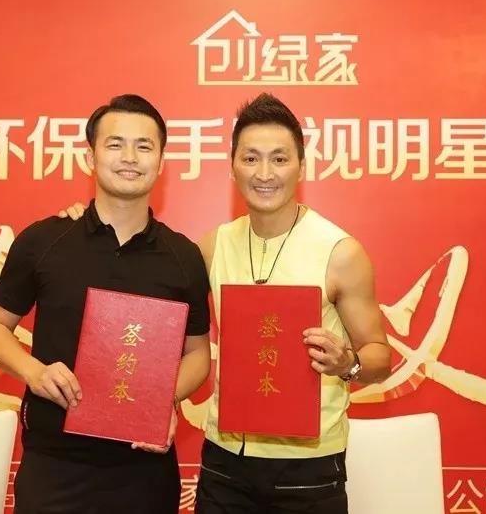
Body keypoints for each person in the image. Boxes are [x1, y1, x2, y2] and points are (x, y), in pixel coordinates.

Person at [60, 93, 392, 513]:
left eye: (279, 159)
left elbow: (381, 357)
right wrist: (90, 221)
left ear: (302, 166)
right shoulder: (213, 246)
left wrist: (348, 364)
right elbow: (157, 314)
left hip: (308, 468)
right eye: (251, 159)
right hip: (225, 464)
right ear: (233, 167)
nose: (264, 173)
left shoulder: (340, 252)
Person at [0, 94, 211, 514]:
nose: (130, 157)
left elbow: (197, 354)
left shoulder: (183, 256)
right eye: (115, 144)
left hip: (145, 471)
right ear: (90, 156)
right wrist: (34, 371)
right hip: (55, 467)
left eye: (144, 146)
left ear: (161, 162)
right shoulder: (44, 240)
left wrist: (159, 400)